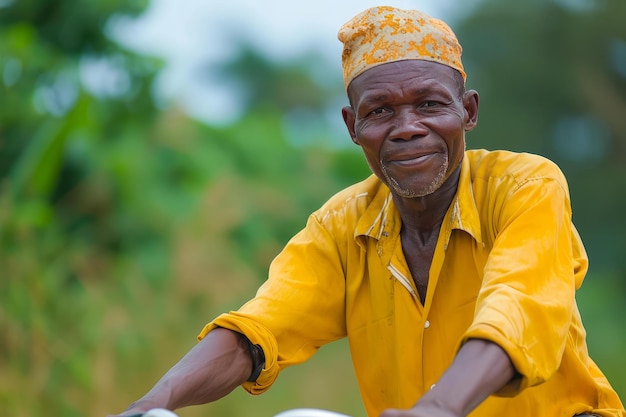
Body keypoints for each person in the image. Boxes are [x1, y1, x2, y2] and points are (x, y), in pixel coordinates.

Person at [108, 6, 625, 417]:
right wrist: (153, 402)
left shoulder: (524, 186)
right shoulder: (342, 227)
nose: (406, 128)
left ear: (467, 112)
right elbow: (260, 329)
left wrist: (440, 407)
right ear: (352, 127)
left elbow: (519, 306)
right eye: (381, 112)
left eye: (429, 105)